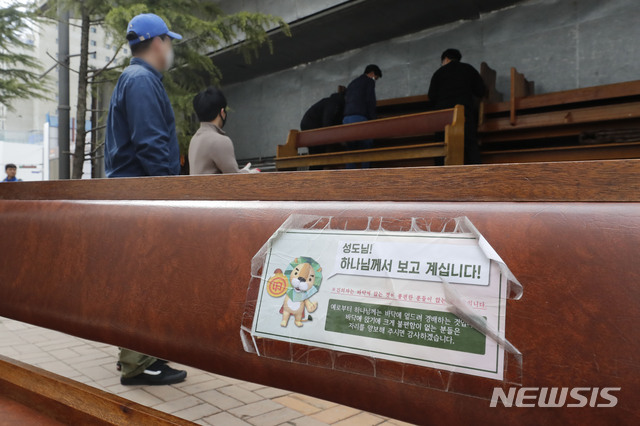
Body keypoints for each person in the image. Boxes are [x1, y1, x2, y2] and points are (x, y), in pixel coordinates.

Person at [104, 12, 187, 386]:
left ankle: (136, 356)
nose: (170, 49)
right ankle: (139, 364)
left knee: (137, 275)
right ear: (158, 43)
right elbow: (151, 146)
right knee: (143, 276)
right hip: (143, 195)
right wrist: (170, 195)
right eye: (169, 41)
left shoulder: (134, 79)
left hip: (132, 194)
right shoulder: (140, 80)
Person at [427, 48, 486, 164]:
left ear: (446, 59)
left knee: (441, 146)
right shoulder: (469, 69)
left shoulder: (438, 73)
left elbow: (431, 96)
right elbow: (481, 91)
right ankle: (478, 174)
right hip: (463, 112)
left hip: (442, 116)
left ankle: (439, 175)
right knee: (470, 145)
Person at [189, 87, 257, 175]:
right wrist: (247, 172)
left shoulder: (194, 139)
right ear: (222, 112)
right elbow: (234, 179)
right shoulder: (219, 141)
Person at [343, 64, 382, 169]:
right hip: (359, 117)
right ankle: (365, 175)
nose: (375, 80)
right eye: (376, 78)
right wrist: (374, 120)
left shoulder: (352, 83)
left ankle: (350, 176)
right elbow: (370, 101)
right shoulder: (369, 81)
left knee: (351, 149)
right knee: (366, 147)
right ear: (372, 74)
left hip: (346, 118)